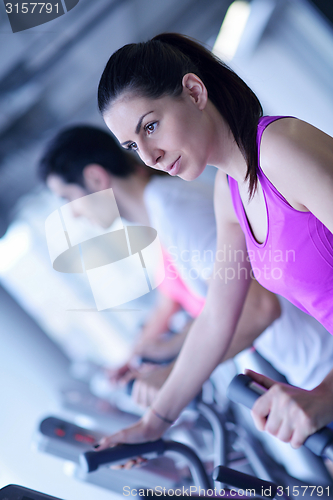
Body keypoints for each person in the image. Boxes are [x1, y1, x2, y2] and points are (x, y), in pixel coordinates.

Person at [94, 32, 333, 451]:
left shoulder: (279, 149)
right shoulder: (231, 192)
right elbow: (216, 319)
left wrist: (326, 394)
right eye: (133, 145)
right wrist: (154, 424)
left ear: (193, 91)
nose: (148, 155)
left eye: (151, 126)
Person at [39, 124, 282, 404]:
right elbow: (221, 307)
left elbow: (257, 308)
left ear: (95, 178)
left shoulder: (173, 208)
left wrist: (174, 373)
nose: (74, 214)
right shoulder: (162, 212)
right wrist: (159, 352)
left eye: (67, 198)